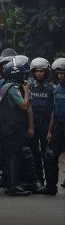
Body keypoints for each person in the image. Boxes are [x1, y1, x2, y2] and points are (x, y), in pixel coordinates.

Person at [0, 58, 46, 196]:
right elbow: (24, 105)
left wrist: (30, 126)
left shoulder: (9, 86)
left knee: (21, 154)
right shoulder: (13, 88)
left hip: (14, 127)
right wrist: (27, 91)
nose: (25, 76)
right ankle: (13, 186)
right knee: (14, 156)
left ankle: (24, 183)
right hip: (13, 128)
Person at [27, 57, 53, 186]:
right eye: (36, 71)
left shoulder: (51, 88)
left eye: (42, 71)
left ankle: (49, 181)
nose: (39, 73)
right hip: (33, 125)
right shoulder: (29, 87)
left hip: (45, 125)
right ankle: (38, 180)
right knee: (33, 153)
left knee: (47, 154)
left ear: (46, 72)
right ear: (33, 72)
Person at [44, 57, 65, 195]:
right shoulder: (56, 89)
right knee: (51, 156)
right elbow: (54, 112)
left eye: (63, 73)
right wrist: (50, 131)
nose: (61, 76)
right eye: (59, 73)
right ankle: (51, 186)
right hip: (58, 127)